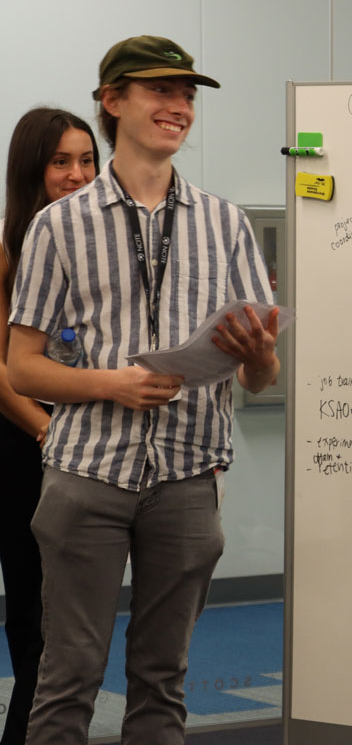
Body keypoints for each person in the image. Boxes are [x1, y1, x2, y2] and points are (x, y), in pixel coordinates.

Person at [7, 35, 280, 745]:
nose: (179, 105)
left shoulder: (226, 224)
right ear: (112, 101)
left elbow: (261, 374)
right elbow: (22, 368)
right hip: (86, 475)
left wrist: (258, 361)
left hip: (190, 478)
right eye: (161, 90)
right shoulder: (58, 225)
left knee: (165, 679)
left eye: (188, 93)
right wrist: (113, 384)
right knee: (67, 675)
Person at [0, 107, 98, 745]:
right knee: (39, 630)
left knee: (76, 630)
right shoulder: (8, 250)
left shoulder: (99, 249)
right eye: (61, 161)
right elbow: (4, 372)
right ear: (32, 168)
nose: (77, 174)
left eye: (87, 160)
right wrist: (45, 431)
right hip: (22, 447)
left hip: (87, 449)